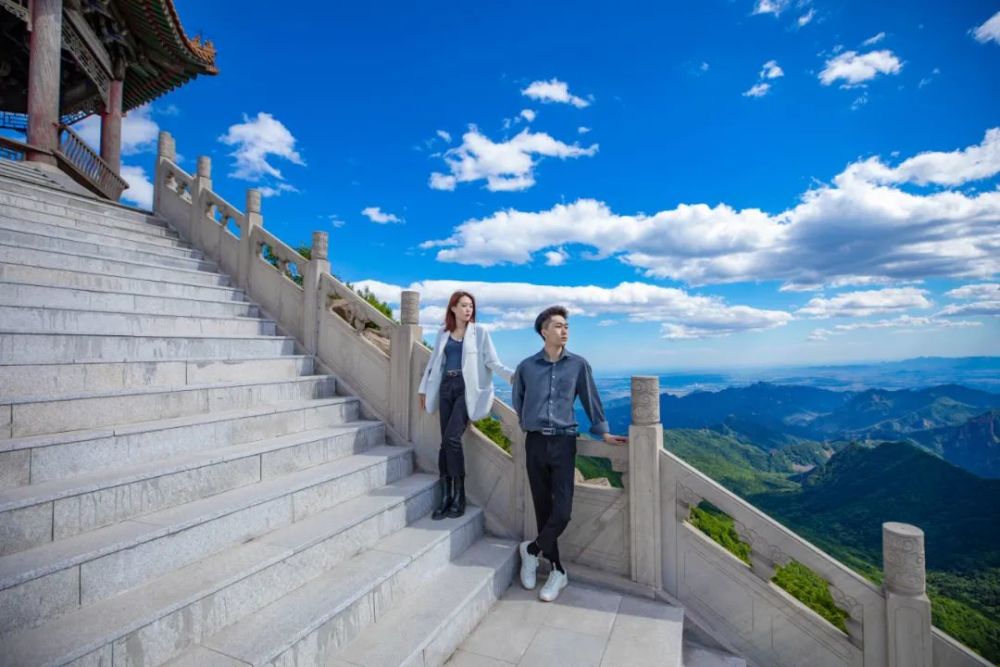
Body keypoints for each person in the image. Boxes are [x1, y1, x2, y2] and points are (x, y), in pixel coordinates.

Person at [511, 305, 628, 602]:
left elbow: (591, 399)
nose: (565, 330)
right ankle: (557, 571)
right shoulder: (526, 367)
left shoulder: (578, 365)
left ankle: (531, 550)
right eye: (559, 326)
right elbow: (518, 400)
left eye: (567, 326)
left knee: (562, 512)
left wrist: (602, 432)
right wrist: (529, 424)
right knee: (543, 510)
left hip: (564, 443)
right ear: (543, 331)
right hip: (535, 443)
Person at [418, 290, 513, 520]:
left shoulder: (480, 332)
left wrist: (514, 376)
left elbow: (492, 361)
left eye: (471, 305)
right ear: (453, 308)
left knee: (452, 438)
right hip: (445, 388)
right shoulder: (443, 333)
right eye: (463, 305)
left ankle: (459, 495)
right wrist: (423, 389)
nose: (468, 309)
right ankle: (445, 496)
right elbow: (433, 364)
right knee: (445, 443)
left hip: (465, 390)